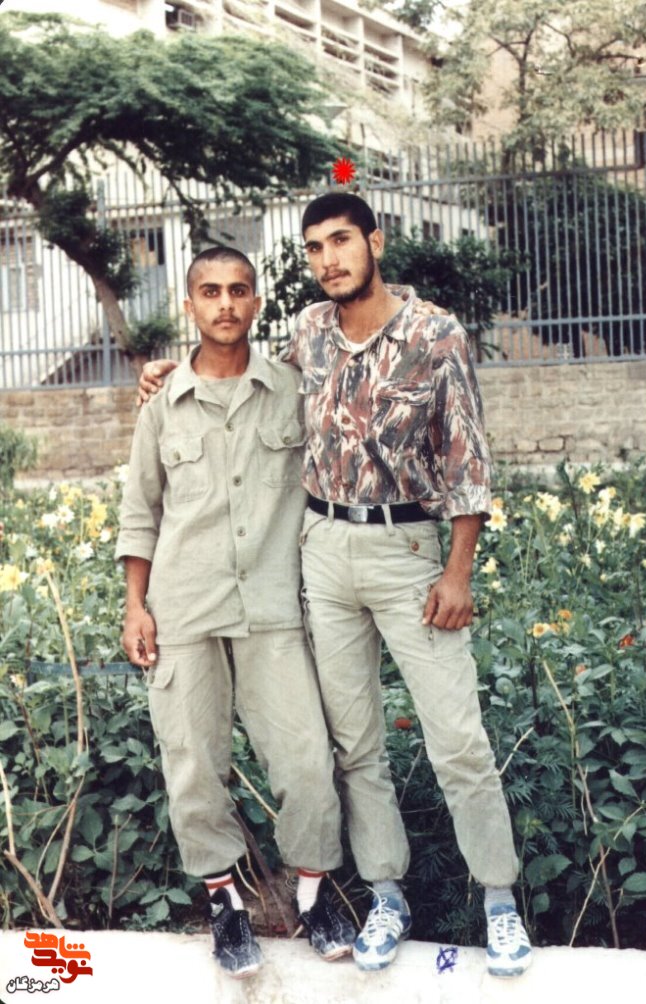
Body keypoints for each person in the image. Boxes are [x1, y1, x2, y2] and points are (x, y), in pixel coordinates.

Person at [139, 197, 532, 979]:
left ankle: (499, 900)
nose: (329, 259)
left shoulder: (434, 333)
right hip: (321, 552)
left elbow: (468, 461)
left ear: (373, 242)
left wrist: (457, 571)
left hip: (408, 551)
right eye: (315, 247)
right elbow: (232, 375)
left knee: (457, 737)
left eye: (342, 241)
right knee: (354, 746)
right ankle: (385, 894)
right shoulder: (310, 333)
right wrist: (164, 371)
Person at [116, 246, 355, 981]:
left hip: (271, 607)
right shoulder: (162, 403)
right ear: (189, 305)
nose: (225, 303)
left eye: (239, 290)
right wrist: (134, 606)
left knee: (306, 760)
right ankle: (224, 905)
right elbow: (140, 511)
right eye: (211, 291)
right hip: (183, 607)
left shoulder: (291, 389)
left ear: (255, 302)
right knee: (193, 762)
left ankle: (313, 896)